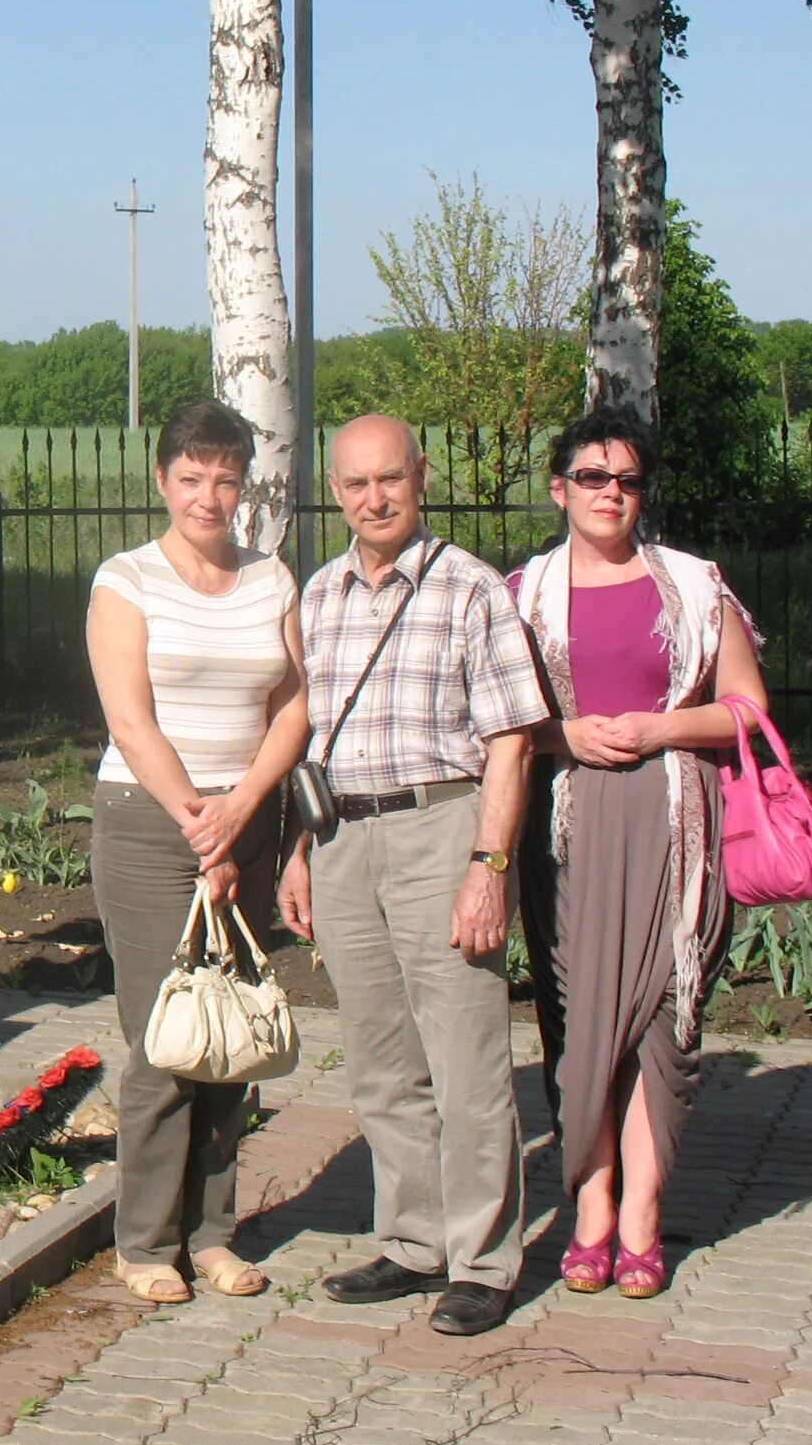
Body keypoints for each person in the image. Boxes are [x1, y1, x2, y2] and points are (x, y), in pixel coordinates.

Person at [282, 415, 552, 1337]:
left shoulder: (471, 590)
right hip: (343, 838)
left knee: (468, 1060)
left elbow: (511, 742)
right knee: (382, 1059)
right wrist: (300, 852)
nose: (374, 499)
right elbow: (313, 740)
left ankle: (483, 1259)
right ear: (335, 488)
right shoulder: (317, 596)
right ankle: (412, 1239)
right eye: (355, 484)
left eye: (389, 479)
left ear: (421, 477)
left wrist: (489, 866)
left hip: (442, 825)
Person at [512, 407, 765, 1299]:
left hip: (674, 821)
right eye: (592, 477)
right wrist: (565, 733)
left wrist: (661, 725)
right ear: (559, 488)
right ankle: (591, 1208)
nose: (610, 493)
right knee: (583, 1026)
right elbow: (502, 728)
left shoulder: (696, 585)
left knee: (663, 1019)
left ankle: (644, 1222)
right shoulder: (525, 593)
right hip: (570, 830)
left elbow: (745, 710)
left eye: (626, 480)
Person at [85, 400, 310, 1305]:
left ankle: (215, 1233)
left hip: (244, 817)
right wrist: (197, 820)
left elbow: (294, 704)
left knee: (234, 1032)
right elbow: (130, 718)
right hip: (151, 823)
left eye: (225, 477)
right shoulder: (126, 581)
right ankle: (144, 1240)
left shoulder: (272, 581)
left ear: (244, 483)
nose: (208, 496)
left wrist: (244, 807)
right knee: (167, 1035)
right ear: (162, 482)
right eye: (191, 477)